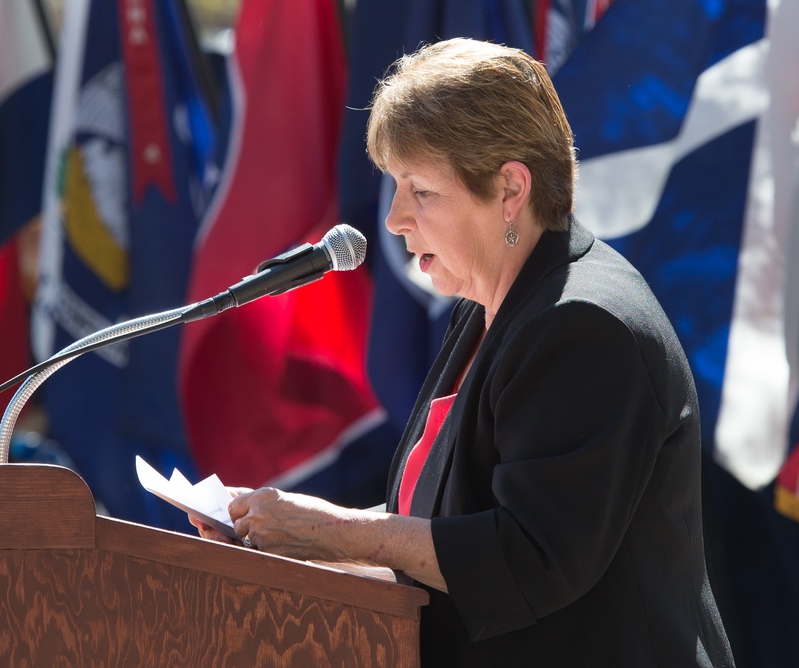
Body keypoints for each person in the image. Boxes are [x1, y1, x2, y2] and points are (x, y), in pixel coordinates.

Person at [190, 37, 735, 666]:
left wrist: (336, 532)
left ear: (510, 188)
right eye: (396, 187)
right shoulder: (487, 310)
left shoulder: (583, 325)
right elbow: (445, 523)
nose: (393, 219)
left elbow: (530, 555)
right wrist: (293, 536)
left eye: (421, 190)